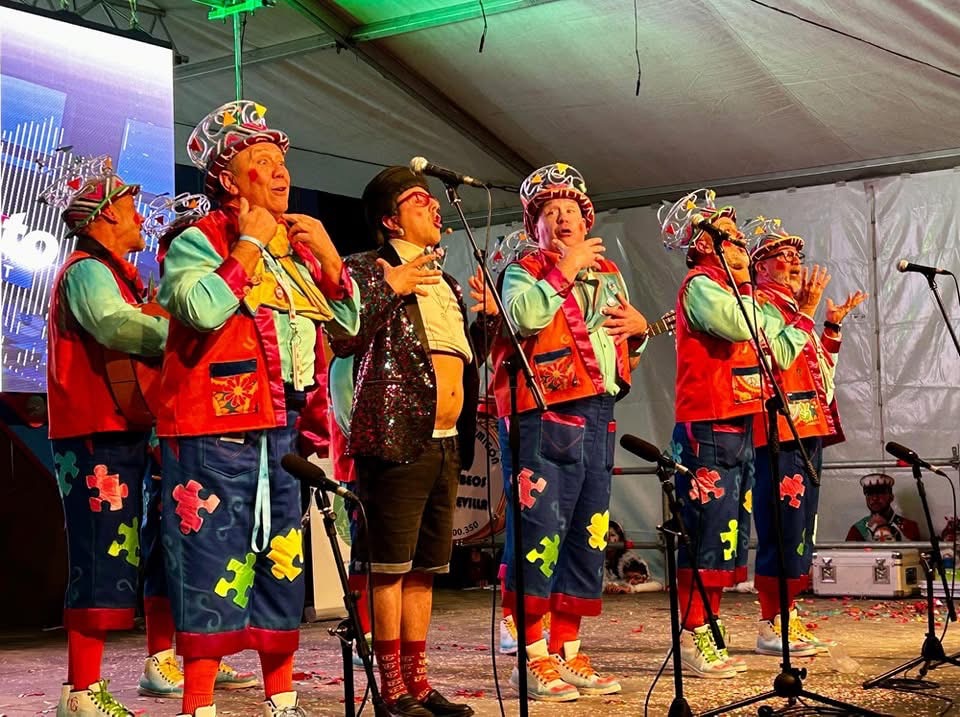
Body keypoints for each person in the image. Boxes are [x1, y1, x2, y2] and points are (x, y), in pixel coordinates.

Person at [156, 99, 359, 717]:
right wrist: (247, 244)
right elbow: (199, 309)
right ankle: (198, 704)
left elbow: (348, 328)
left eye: (281, 161)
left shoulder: (294, 253)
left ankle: (282, 698)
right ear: (226, 178)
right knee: (211, 560)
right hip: (215, 430)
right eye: (262, 161)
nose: (280, 172)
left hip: (285, 430)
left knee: (282, 559)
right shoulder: (198, 242)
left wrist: (329, 258)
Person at [328, 165, 498, 717]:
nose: (434, 207)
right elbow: (343, 335)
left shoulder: (447, 283)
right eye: (419, 200)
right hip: (395, 436)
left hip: (446, 440)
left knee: (426, 569)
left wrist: (486, 325)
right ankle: (391, 687)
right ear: (390, 220)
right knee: (390, 567)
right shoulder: (364, 268)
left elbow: (459, 359)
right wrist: (389, 286)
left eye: (433, 200)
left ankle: (419, 684)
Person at [491, 162, 650, 701]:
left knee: (588, 532)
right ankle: (533, 654)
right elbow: (523, 320)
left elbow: (619, 350)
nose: (563, 220)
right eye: (550, 213)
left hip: (598, 410)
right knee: (539, 532)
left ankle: (568, 647)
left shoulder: (608, 274)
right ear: (533, 226)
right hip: (544, 413)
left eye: (571, 212)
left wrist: (640, 332)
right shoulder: (523, 270)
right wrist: (564, 270)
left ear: (587, 223)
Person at [659, 189, 817, 679]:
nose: (740, 245)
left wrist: (795, 314)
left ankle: (711, 622)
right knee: (706, 531)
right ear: (704, 245)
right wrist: (749, 287)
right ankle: (694, 630)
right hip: (707, 424)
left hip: (740, 424)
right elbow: (739, 326)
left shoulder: (732, 288)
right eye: (729, 237)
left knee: (730, 534)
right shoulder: (701, 285)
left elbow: (776, 351)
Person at [43, 162, 169, 716]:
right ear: (108, 214)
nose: (139, 217)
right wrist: (180, 330)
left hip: (115, 432)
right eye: (131, 206)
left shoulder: (116, 272)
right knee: (99, 555)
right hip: (93, 435)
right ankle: (82, 691)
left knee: (116, 552)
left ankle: (84, 688)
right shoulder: (87, 271)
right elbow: (114, 325)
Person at [747, 217, 866, 657]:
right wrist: (807, 310)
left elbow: (822, 379)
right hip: (778, 431)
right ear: (761, 267)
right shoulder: (759, 306)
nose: (795, 263)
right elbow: (779, 358)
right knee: (781, 526)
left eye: (797, 256)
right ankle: (770, 622)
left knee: (800, 529)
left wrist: (830, 329)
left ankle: (787, 614)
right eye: (783, 256)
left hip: (807, 428)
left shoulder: (795, 312)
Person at [846, 473, 920, 541]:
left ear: (891, 497)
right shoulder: (857, 530)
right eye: (869, 493)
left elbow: (913, 550)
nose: (874, 498)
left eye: (880, 492)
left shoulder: (909, 527)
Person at [603, 520, 660, 594]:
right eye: (605, 535)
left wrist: (631, 588)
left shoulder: (629, 561)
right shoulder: (596, 560)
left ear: (620, 538)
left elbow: (657, 585)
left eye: (612, 535)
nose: (608, 539)